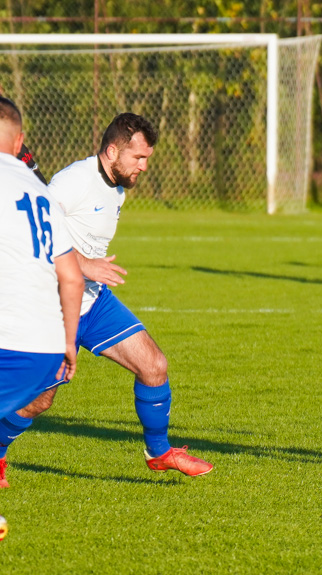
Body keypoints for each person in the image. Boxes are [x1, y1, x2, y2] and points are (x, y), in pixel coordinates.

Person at [0, 113, 213, 487]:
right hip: (53, 307)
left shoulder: (116, 184)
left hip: (94, 301)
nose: (143, 167)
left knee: (154, 365)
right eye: (138, 158)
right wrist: (85, 265)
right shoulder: (74, 182)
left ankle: (159, 452)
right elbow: (37, 234)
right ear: (112, 151)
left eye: (147, 159)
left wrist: (89, 273)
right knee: (38, 402)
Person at [0, 97, 84, 487]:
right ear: (20, 143)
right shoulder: (41, 191)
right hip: (44, 353)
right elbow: (71, 278)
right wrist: (69, 343)